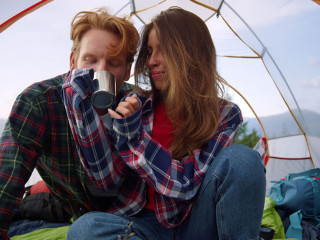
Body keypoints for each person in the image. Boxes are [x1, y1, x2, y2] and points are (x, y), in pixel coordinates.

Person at [64, 7, 266, 240]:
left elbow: (185, 184)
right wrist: (79, 104)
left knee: (243, 160)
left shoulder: (224, 114)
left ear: (191, 53)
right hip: (141, 225)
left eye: (163, 50)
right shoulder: (135, 105)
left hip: (197, 223)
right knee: (84, 229)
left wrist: (135, 139)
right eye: (149, 52)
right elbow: (106, 179)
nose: (151, 62)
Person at [0, 8, 139, 239]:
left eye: (113, 63)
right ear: (73, 61)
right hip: (82, 217)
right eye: (90, 60)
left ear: (127, 71)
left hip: (133, 214)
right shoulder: (40, 102)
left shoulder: (138, 104)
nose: (100, 71)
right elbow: (7, 176)